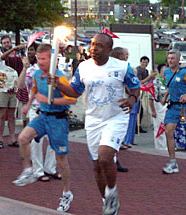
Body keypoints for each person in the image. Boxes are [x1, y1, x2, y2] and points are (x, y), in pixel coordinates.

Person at [53, 33, 141, 215]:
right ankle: (107, 202)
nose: (94, 49)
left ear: (109, 50)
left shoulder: (123, 67)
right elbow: (75, 92)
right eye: (92, 45)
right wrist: (59, 85)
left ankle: (112, 192)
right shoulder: (84, 67)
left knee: (105, 157)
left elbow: (135, 87)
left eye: (99, 46)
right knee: (96, 166)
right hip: (93, 120)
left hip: (116, 117)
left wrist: (132, 99)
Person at [13, 44, 76, 212]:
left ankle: (66, 193)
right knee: (23, 138)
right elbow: (34, 90)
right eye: (39, 58)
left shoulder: (60, 78)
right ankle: (29, 170)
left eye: (43, 59)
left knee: (61, 160)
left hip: (58, 120)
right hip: (43, 116)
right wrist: (27, 105)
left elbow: (72, 100)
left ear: (52, 59)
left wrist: (51, 100)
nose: (40, 62)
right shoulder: (36, 74)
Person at [17, 42, 61, 182]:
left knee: (53, 141)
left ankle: (50, 168)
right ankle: (38, 170)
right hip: (37, 110)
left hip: (53, 110)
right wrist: (24, 68)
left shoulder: (55, 71)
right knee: (37, 141)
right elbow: (20, 85)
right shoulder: (32, 71)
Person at [0, 35, 25, 149]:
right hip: (2, 89)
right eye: (4, 43)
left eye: (8, 42)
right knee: (2, 115)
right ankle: (0, 138)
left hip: (14, 89)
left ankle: (12, 138)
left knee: (12, 115)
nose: (7, 44)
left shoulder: (17, 56)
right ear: (1, 45)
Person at [135, 56, 156, 134]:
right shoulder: (138, 70)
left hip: (143, 92)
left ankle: (139, 126)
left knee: (142, 110)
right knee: (138, 110)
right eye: (143, 62)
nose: (144, 64)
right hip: (137, 92)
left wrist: (152, 77)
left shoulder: (146, 71)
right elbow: (141, 82)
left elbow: (148, 81)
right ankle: (136, 127)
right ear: (140, 62)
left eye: (146, 62)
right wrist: (149, 77)